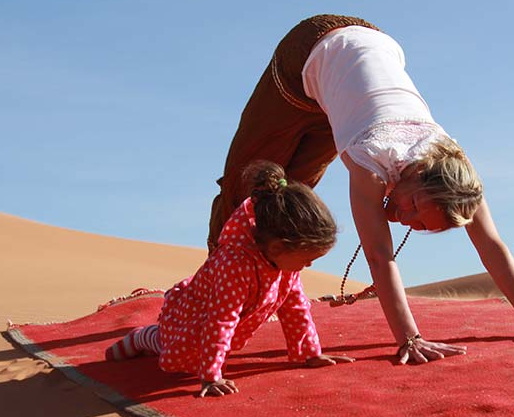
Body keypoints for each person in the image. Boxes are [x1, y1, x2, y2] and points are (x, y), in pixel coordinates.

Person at [209, 15, 514, 365]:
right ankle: (214, 289)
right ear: (414, 174)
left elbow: (492, 246)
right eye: (413, 206)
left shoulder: (457, 175)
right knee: (246, 186)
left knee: (286, 204)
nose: (404, 219)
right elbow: (380, 259)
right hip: (310, 52)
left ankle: (258, 291)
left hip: (365, 59)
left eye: (419, 225)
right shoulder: (372, 161)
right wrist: (409, 338)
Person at [107, 161, 353, 397]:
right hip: (190, 320)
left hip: (219, 328)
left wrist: (310, 354)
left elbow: (295, 307)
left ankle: (153, 339)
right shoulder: (234, 264)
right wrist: (211, 375)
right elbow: (220, 319)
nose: (308, 266)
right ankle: (141, 337)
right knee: (171, 349)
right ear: (278, 247)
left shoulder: (286, 266)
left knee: (199, 352)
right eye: (307, 259)